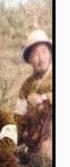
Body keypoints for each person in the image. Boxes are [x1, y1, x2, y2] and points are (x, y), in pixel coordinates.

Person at [14, 29, 52, 158]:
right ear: (30, 60)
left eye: (44, 52)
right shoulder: (26, 85)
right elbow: (19, 116)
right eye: (35, 54)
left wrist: (44, 98)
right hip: (34, 135)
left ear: (50, 54)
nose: (40, 58)